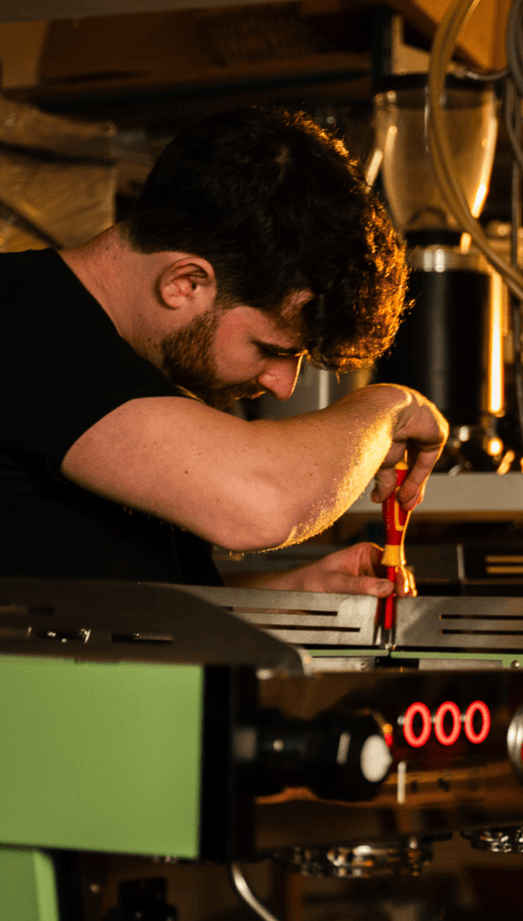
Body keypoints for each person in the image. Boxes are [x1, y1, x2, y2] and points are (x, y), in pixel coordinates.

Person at [0, 104, 448, 596]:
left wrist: (278, 601)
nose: (282, 386)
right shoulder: (20, 323)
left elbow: (98, 608)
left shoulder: (120, 370)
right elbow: (261, 505)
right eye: (272, 348)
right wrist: (388, 408)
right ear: (186, 283)